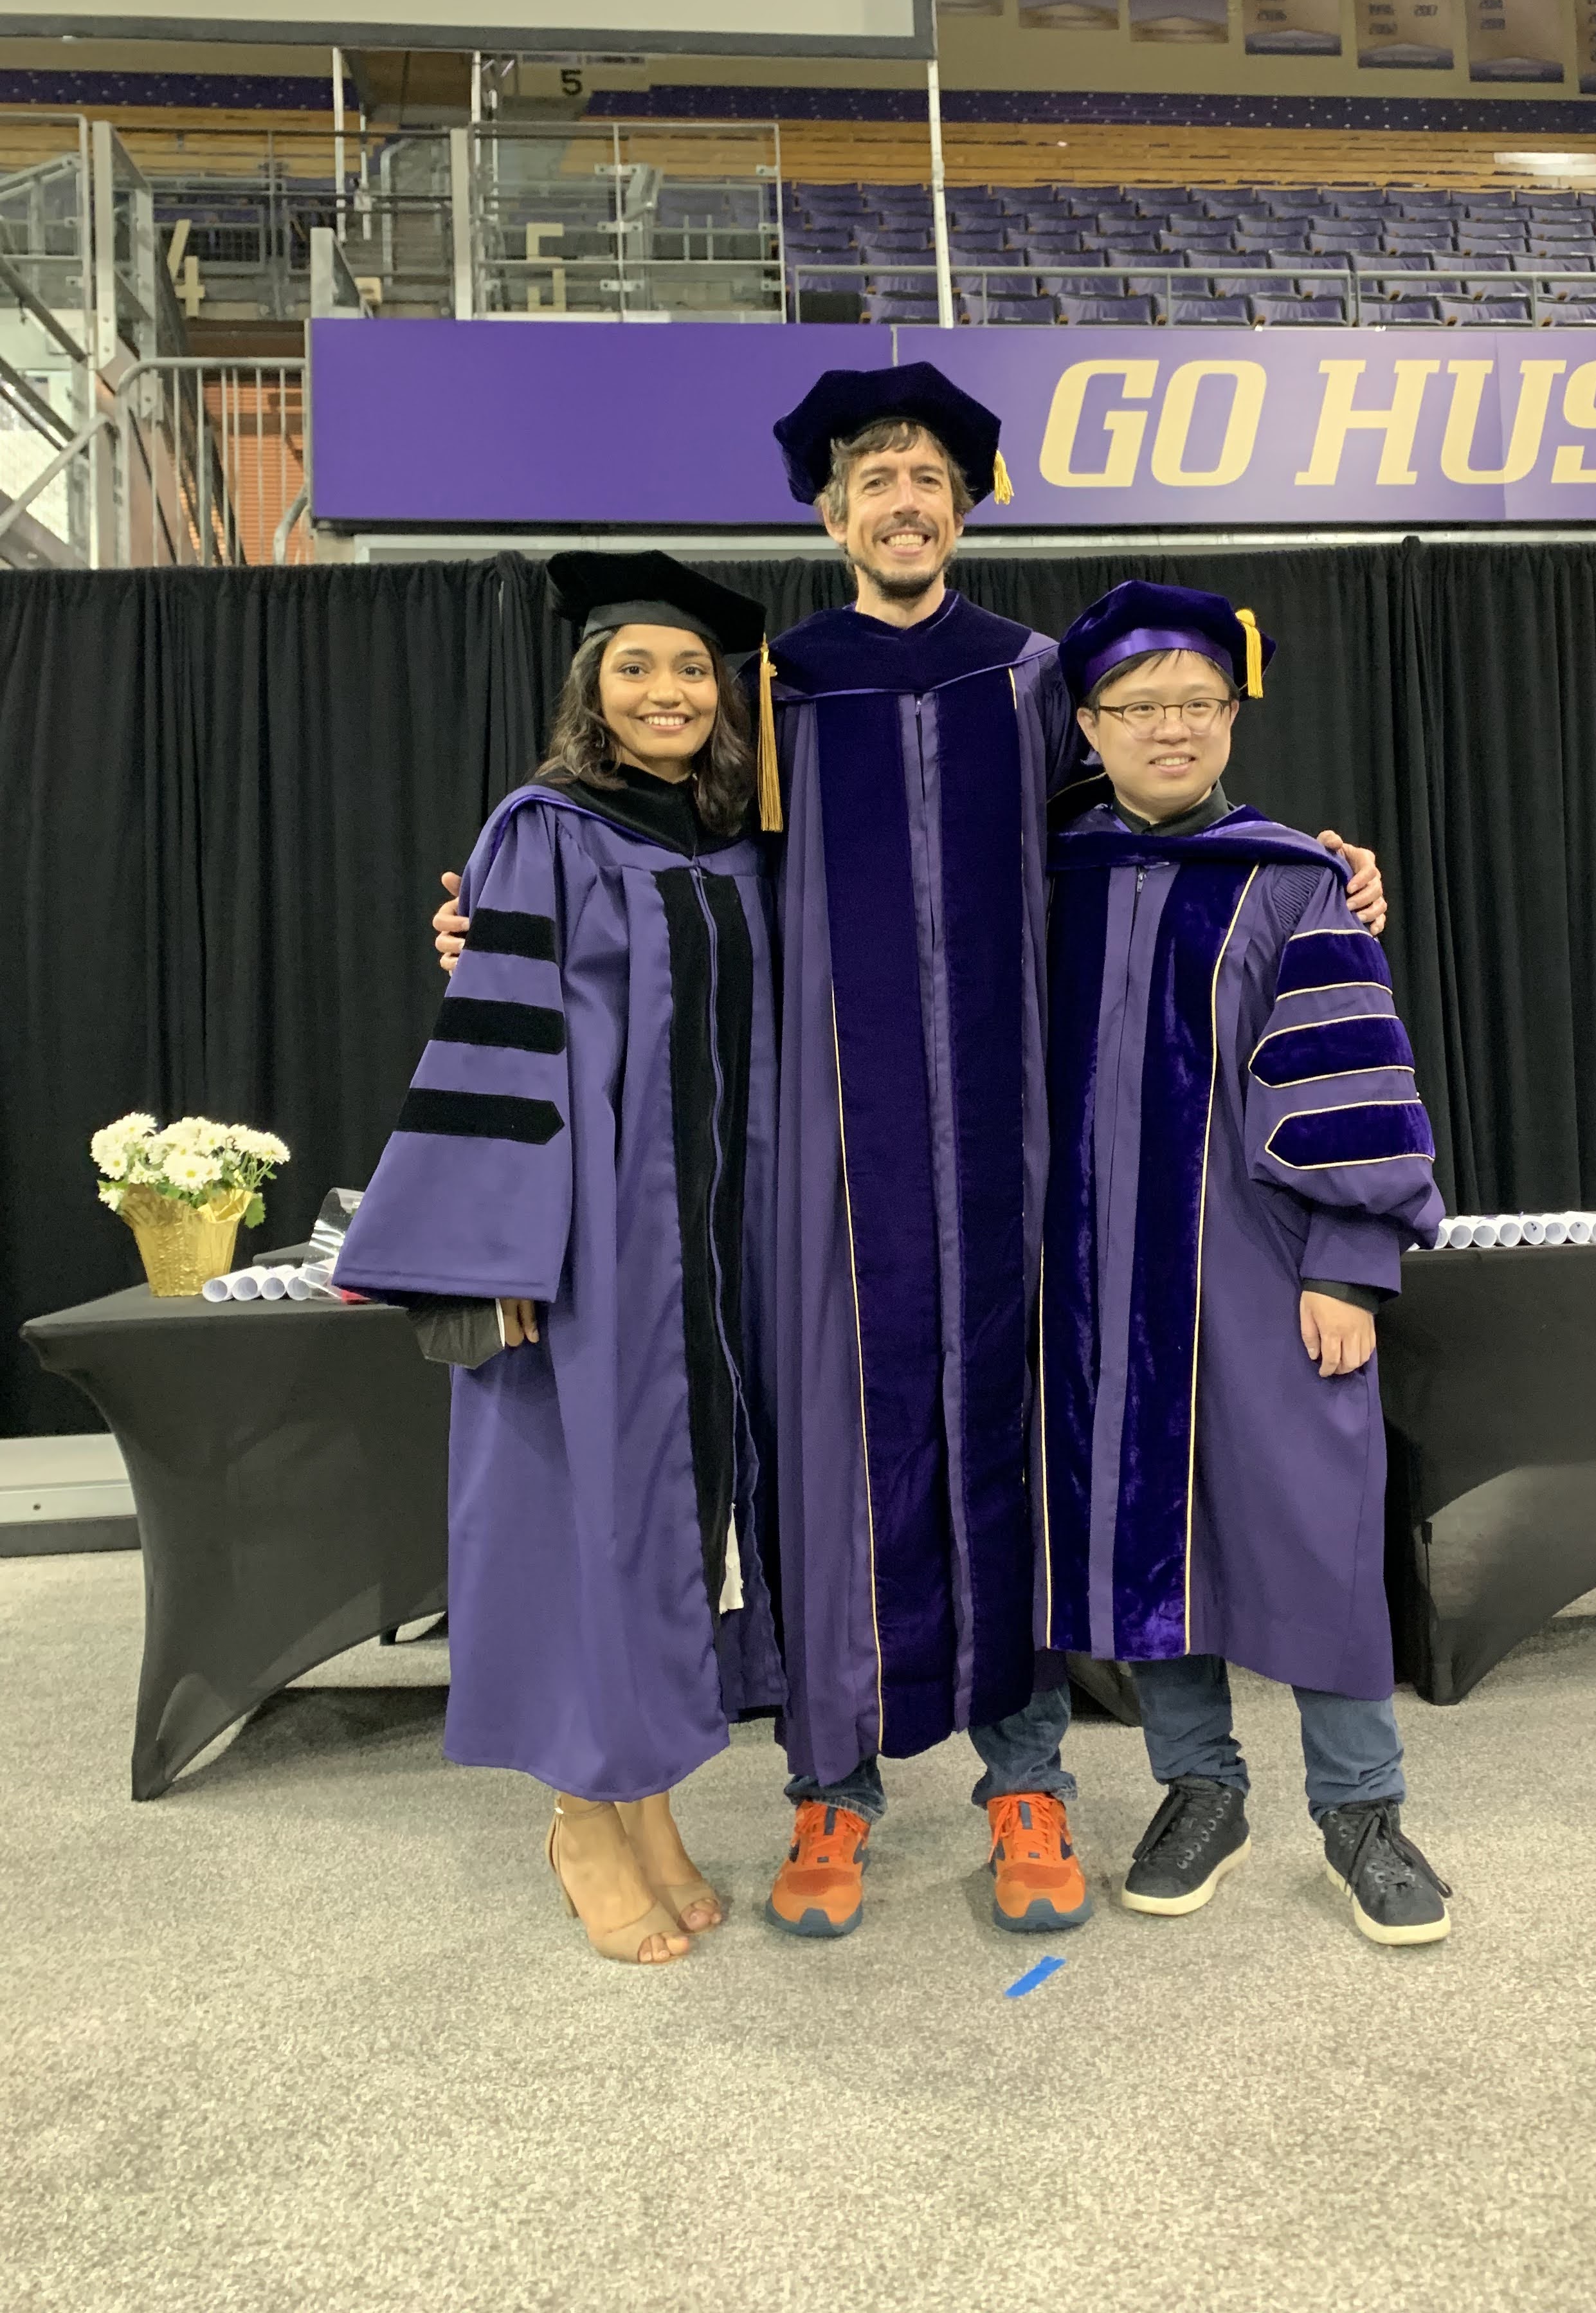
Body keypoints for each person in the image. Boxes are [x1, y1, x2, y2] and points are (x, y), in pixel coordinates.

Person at [432, 371, 1390, 1943]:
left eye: (930, 477)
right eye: (874, 479)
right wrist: (500, 918)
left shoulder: (1028, 680)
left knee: (1003, 1440)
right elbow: (673, 869)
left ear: (968, 505)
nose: (903, 500)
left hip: (1012, 1146)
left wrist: (1317, 856)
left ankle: (1027, 1784)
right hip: (824, 1147)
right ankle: (835, 1789)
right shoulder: (775, 688)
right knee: (831, 1450)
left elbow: (1150, 825)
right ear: (829, 514)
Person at [338, 552, 785, 1967]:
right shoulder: (546, 831)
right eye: (635, 665)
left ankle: (644, 1794)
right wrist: (494, 1249)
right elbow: (511, 1042)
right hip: (591, 1242)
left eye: (692, 669)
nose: (666, 690)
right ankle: (581, 1818)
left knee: (672, 1525)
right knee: (577, 1514)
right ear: (590, 685)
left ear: (725, 699)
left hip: (715, 1248)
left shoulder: (736, 838)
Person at [1037, 580, 1453, 1948]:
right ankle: (1200, 1788)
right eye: (1139, 706)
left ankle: (1363, 1813)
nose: (1171, 728)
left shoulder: (1292, 879)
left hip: (1264, 1268)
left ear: (1233, 715)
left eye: (1198, 704)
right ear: (1087, 725)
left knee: (1317, 1531)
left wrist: (1348, 1260)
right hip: (1094, 1278)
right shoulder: (1043, 880)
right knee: (1147, 1531)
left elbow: (1352, 1076)